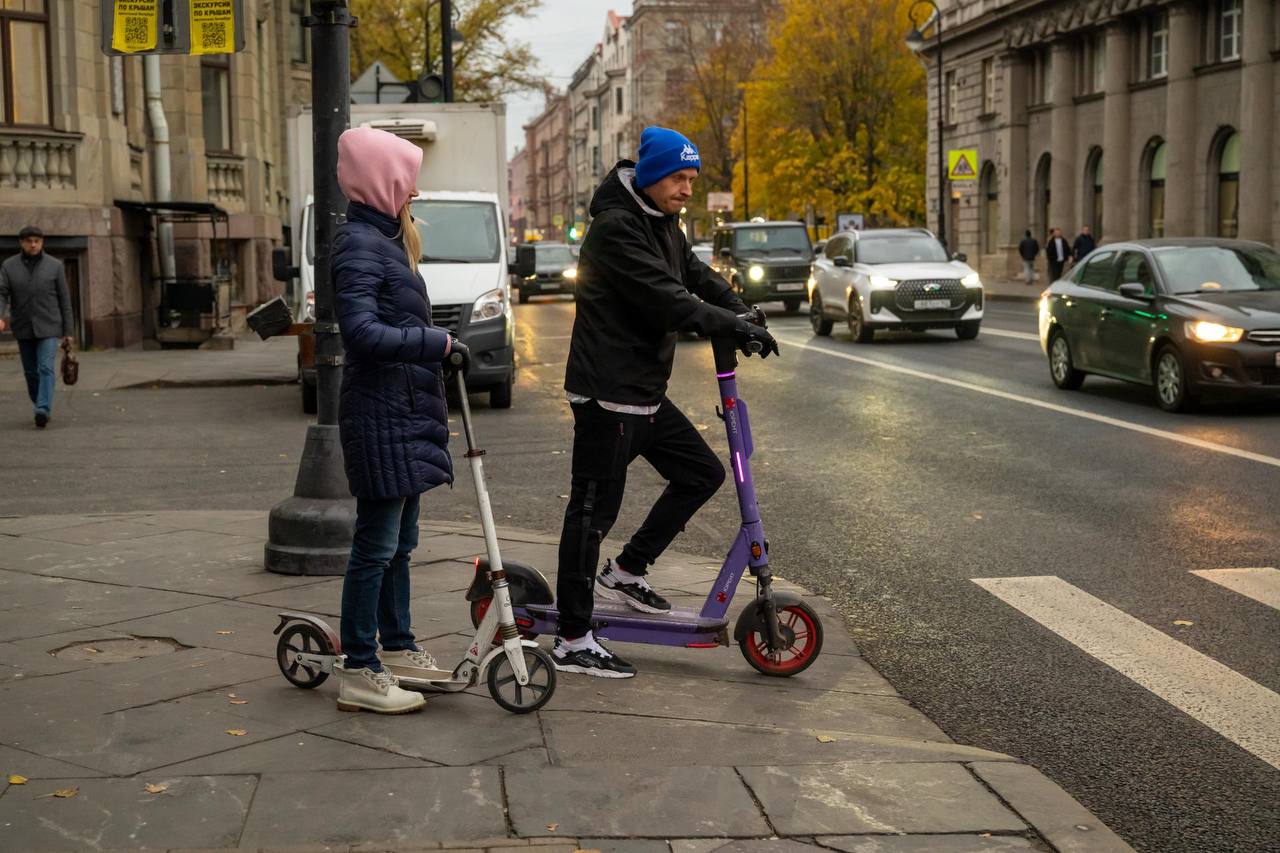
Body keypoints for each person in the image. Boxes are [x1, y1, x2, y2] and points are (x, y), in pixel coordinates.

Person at [552, 126, 779, 678]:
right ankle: (573, 637)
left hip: (644, 394)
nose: (686, 189)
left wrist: (739, 308)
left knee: (701, 473)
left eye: (692, 180)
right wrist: (726, 323)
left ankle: (628, 571)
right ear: (652, 177)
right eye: (679, 178)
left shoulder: (661, 221)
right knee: (590, 514)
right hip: (608, 396)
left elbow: (694, 274)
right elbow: (667, 298)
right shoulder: (615, 229)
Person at [329, 126, 470, 714]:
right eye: (407, 179)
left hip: (404, 412)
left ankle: (400, 647)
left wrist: (430, 347)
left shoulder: (384, 240)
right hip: (380, 414)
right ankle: (360, 668)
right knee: (376, 546)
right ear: (383, 180)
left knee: (400, 544)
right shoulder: (359, 245)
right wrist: (433, 342)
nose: (414, 191)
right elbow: (360, 333)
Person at [0, 226, 75, 429]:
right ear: (21, 243)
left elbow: (65, 300)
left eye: (37, 241)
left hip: (49, 326)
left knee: (45, 367)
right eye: (29, 241)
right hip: (23, 326)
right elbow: (2, 293)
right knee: (31, 372)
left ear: (42, 242)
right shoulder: (9, 266)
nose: (33, 244)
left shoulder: (55, 266)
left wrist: (68, 332)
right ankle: (40, 402)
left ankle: (42, 408)